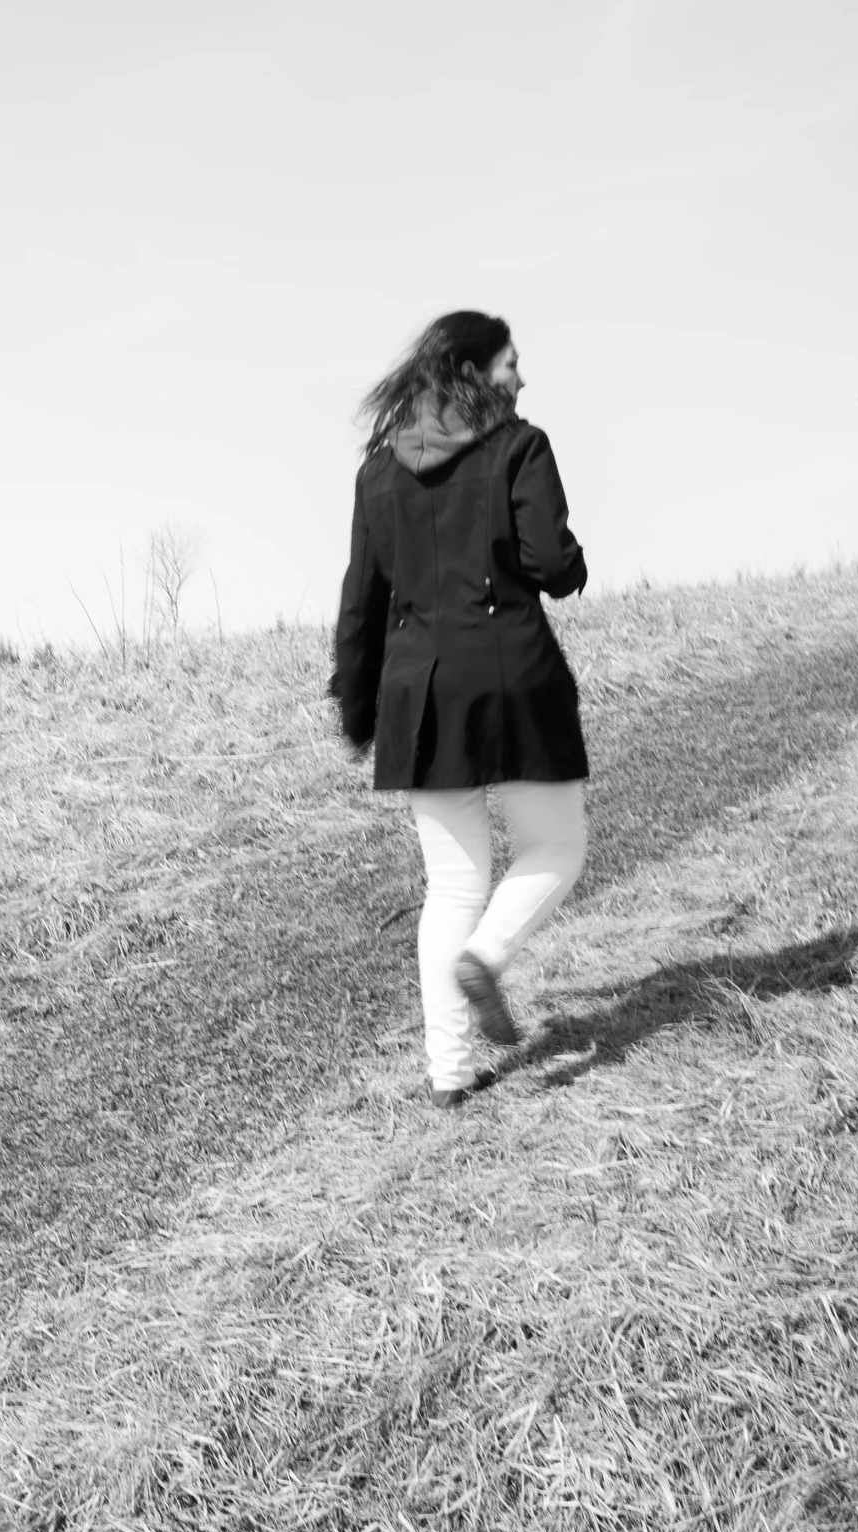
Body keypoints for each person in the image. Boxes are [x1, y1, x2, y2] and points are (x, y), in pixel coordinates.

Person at [330, 311, 591, 1108]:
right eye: (512, 363)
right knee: (556, 846)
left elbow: (361, 597)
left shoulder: (377, 471)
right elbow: (549, 563)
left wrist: (355, 699)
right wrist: (572, 564)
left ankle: (447, 1073)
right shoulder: (519, 445)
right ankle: (486, 956)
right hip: (511, 675)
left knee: (451, 883)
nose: (521, 377)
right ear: (476, 371)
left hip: (418, 690)